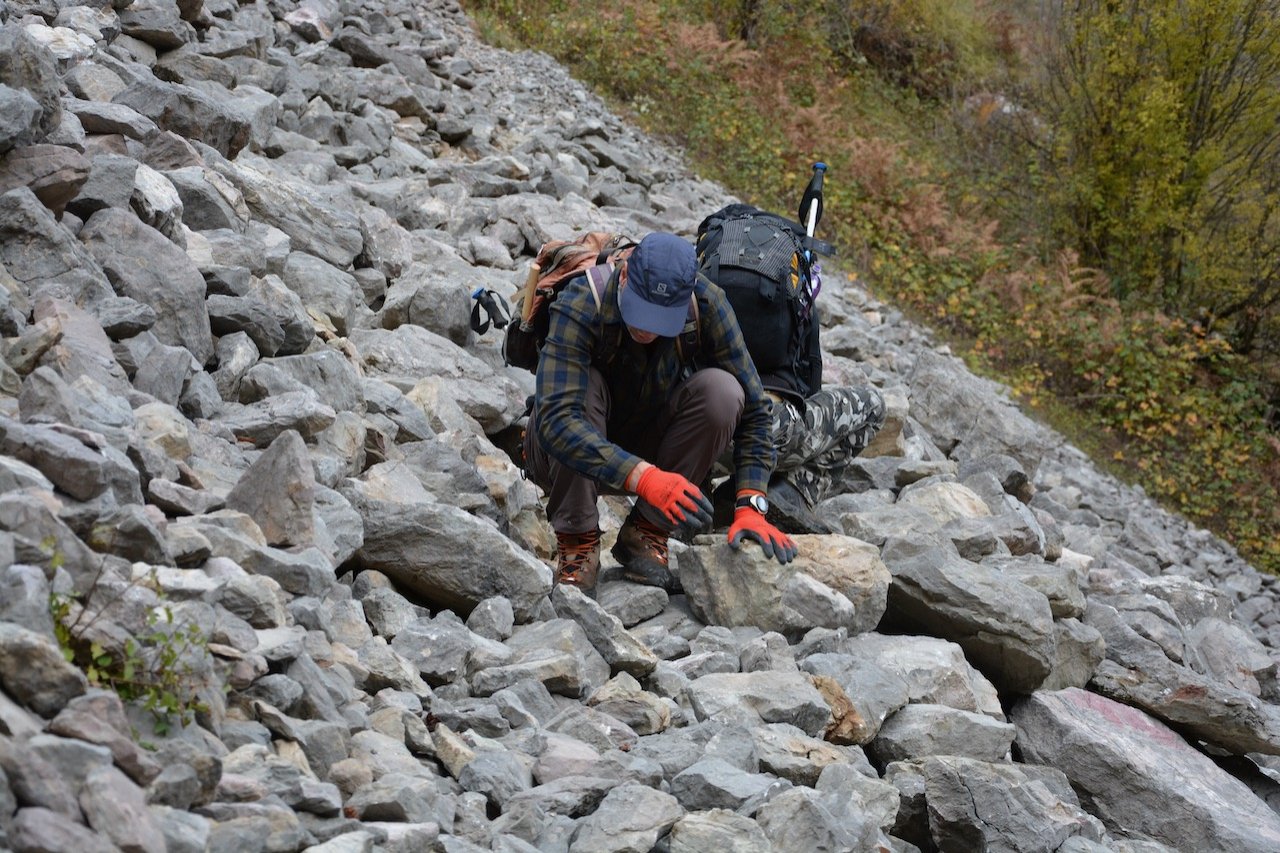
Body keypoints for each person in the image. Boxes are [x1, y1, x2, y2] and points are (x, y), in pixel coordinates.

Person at [522, 232, 798, 594]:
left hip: (650, 442)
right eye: (641, 310)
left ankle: (647, 531)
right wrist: (645, 479)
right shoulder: (582, 302)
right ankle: (578, 541)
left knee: (724, 392)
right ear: (623, 277)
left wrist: (751, 503)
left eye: (660, 319)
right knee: (581, 389)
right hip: (563, 457)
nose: (647, 328)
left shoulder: (707, 303)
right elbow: (558, 421)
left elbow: (757, 411)